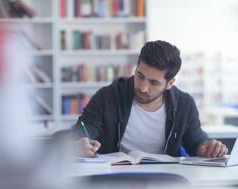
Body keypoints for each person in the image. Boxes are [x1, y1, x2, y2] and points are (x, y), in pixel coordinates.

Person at [74, 40, 228, 158]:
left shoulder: (184, 104)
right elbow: (81, 132)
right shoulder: (107, 96)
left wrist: (205, 147)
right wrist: (79, 143)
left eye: (154, 82)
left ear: (170, 83)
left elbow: (195, 140)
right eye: (140, 76)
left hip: (165, 179)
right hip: (113, 177)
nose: (142, 87)